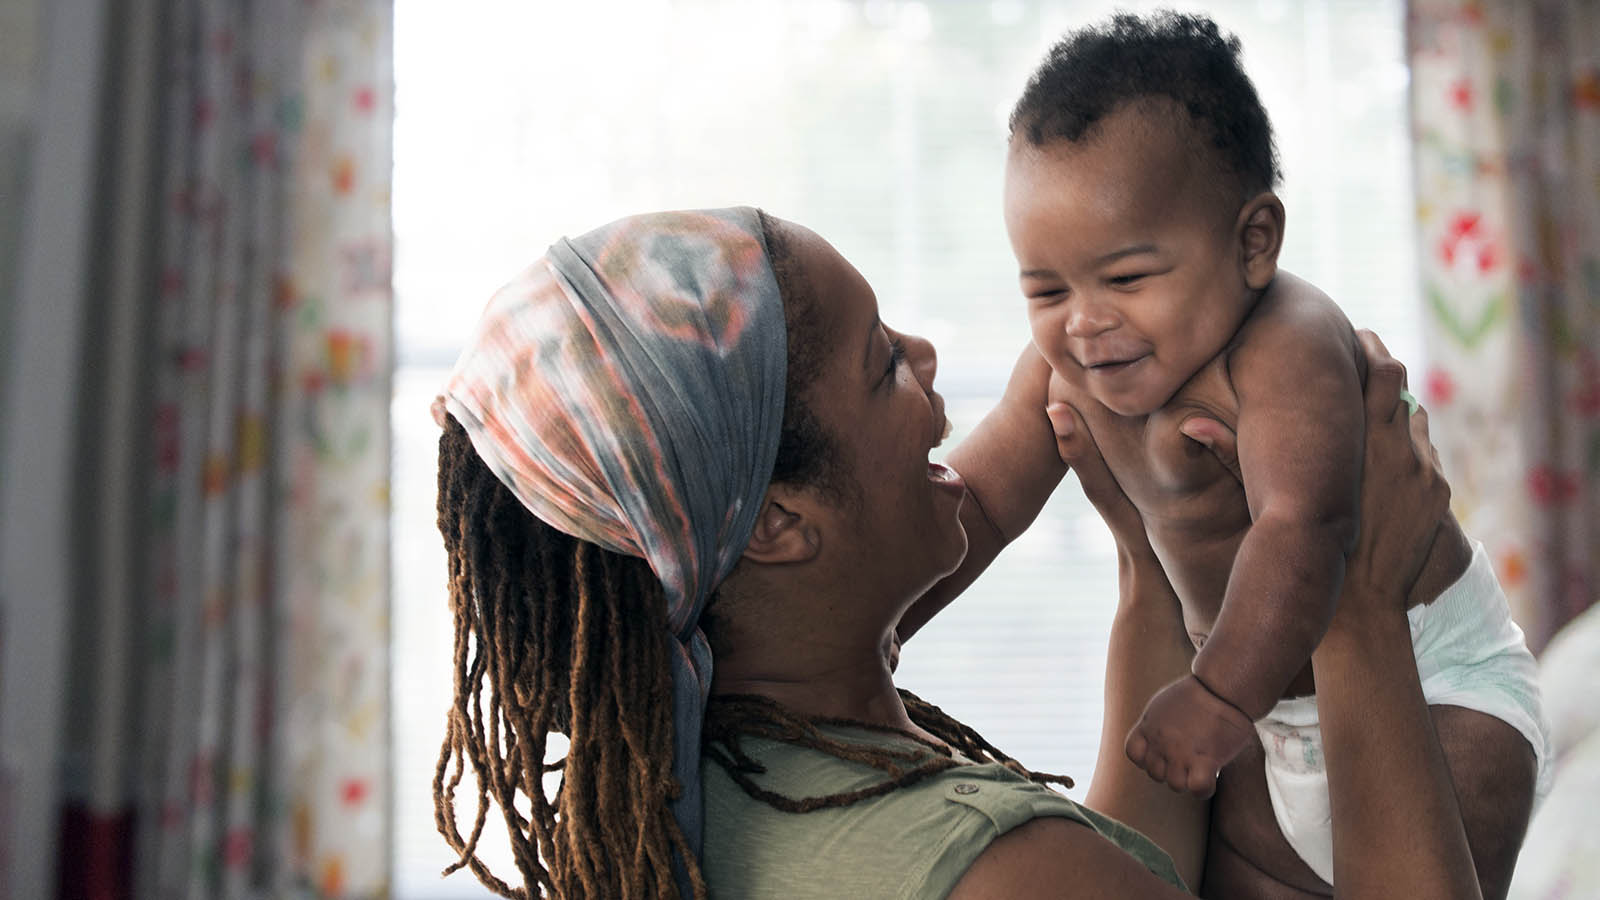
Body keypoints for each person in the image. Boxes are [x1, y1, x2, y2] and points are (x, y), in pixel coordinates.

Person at [429, 205, 1488, 898]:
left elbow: (1134, 869)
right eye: (883, 361)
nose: (928, 357)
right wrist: (1352, 602)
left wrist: (1151, 563)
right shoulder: (1009, 874)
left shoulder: (698, 769)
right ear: (778, 524)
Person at [973, 11, 1549, 895]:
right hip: (1261, 703)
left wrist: (1215, 698)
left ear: (1253, 243)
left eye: (1126, 279)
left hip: (1432, 679)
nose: (1084, 321)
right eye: (1046, 288)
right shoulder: (1069, 364)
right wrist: (883, 622)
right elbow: (982, 499)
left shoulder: (1288, 345)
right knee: (1231, 870)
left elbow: (1303, 527)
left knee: (1440, 843)